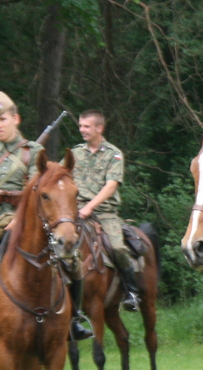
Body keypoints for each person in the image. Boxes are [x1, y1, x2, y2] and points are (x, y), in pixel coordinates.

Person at [0, 94, 92, 339]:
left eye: (2, 119)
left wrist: (17, 220)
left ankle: (74, 318)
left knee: (72, 258)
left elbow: (35, 192)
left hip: (19, 219)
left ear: (15, 119)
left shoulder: (33, 152)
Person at [71, 110, 144, 314]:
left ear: (99, 128)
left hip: (103, 213)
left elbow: (111, 186)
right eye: (80, 126)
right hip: (74, 210)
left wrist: (89, 207)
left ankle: (132, 292)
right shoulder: (75, 153)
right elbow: (60, 174)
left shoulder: (114, 154)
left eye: (86, 126)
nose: (82, 130)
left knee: (118, 247)